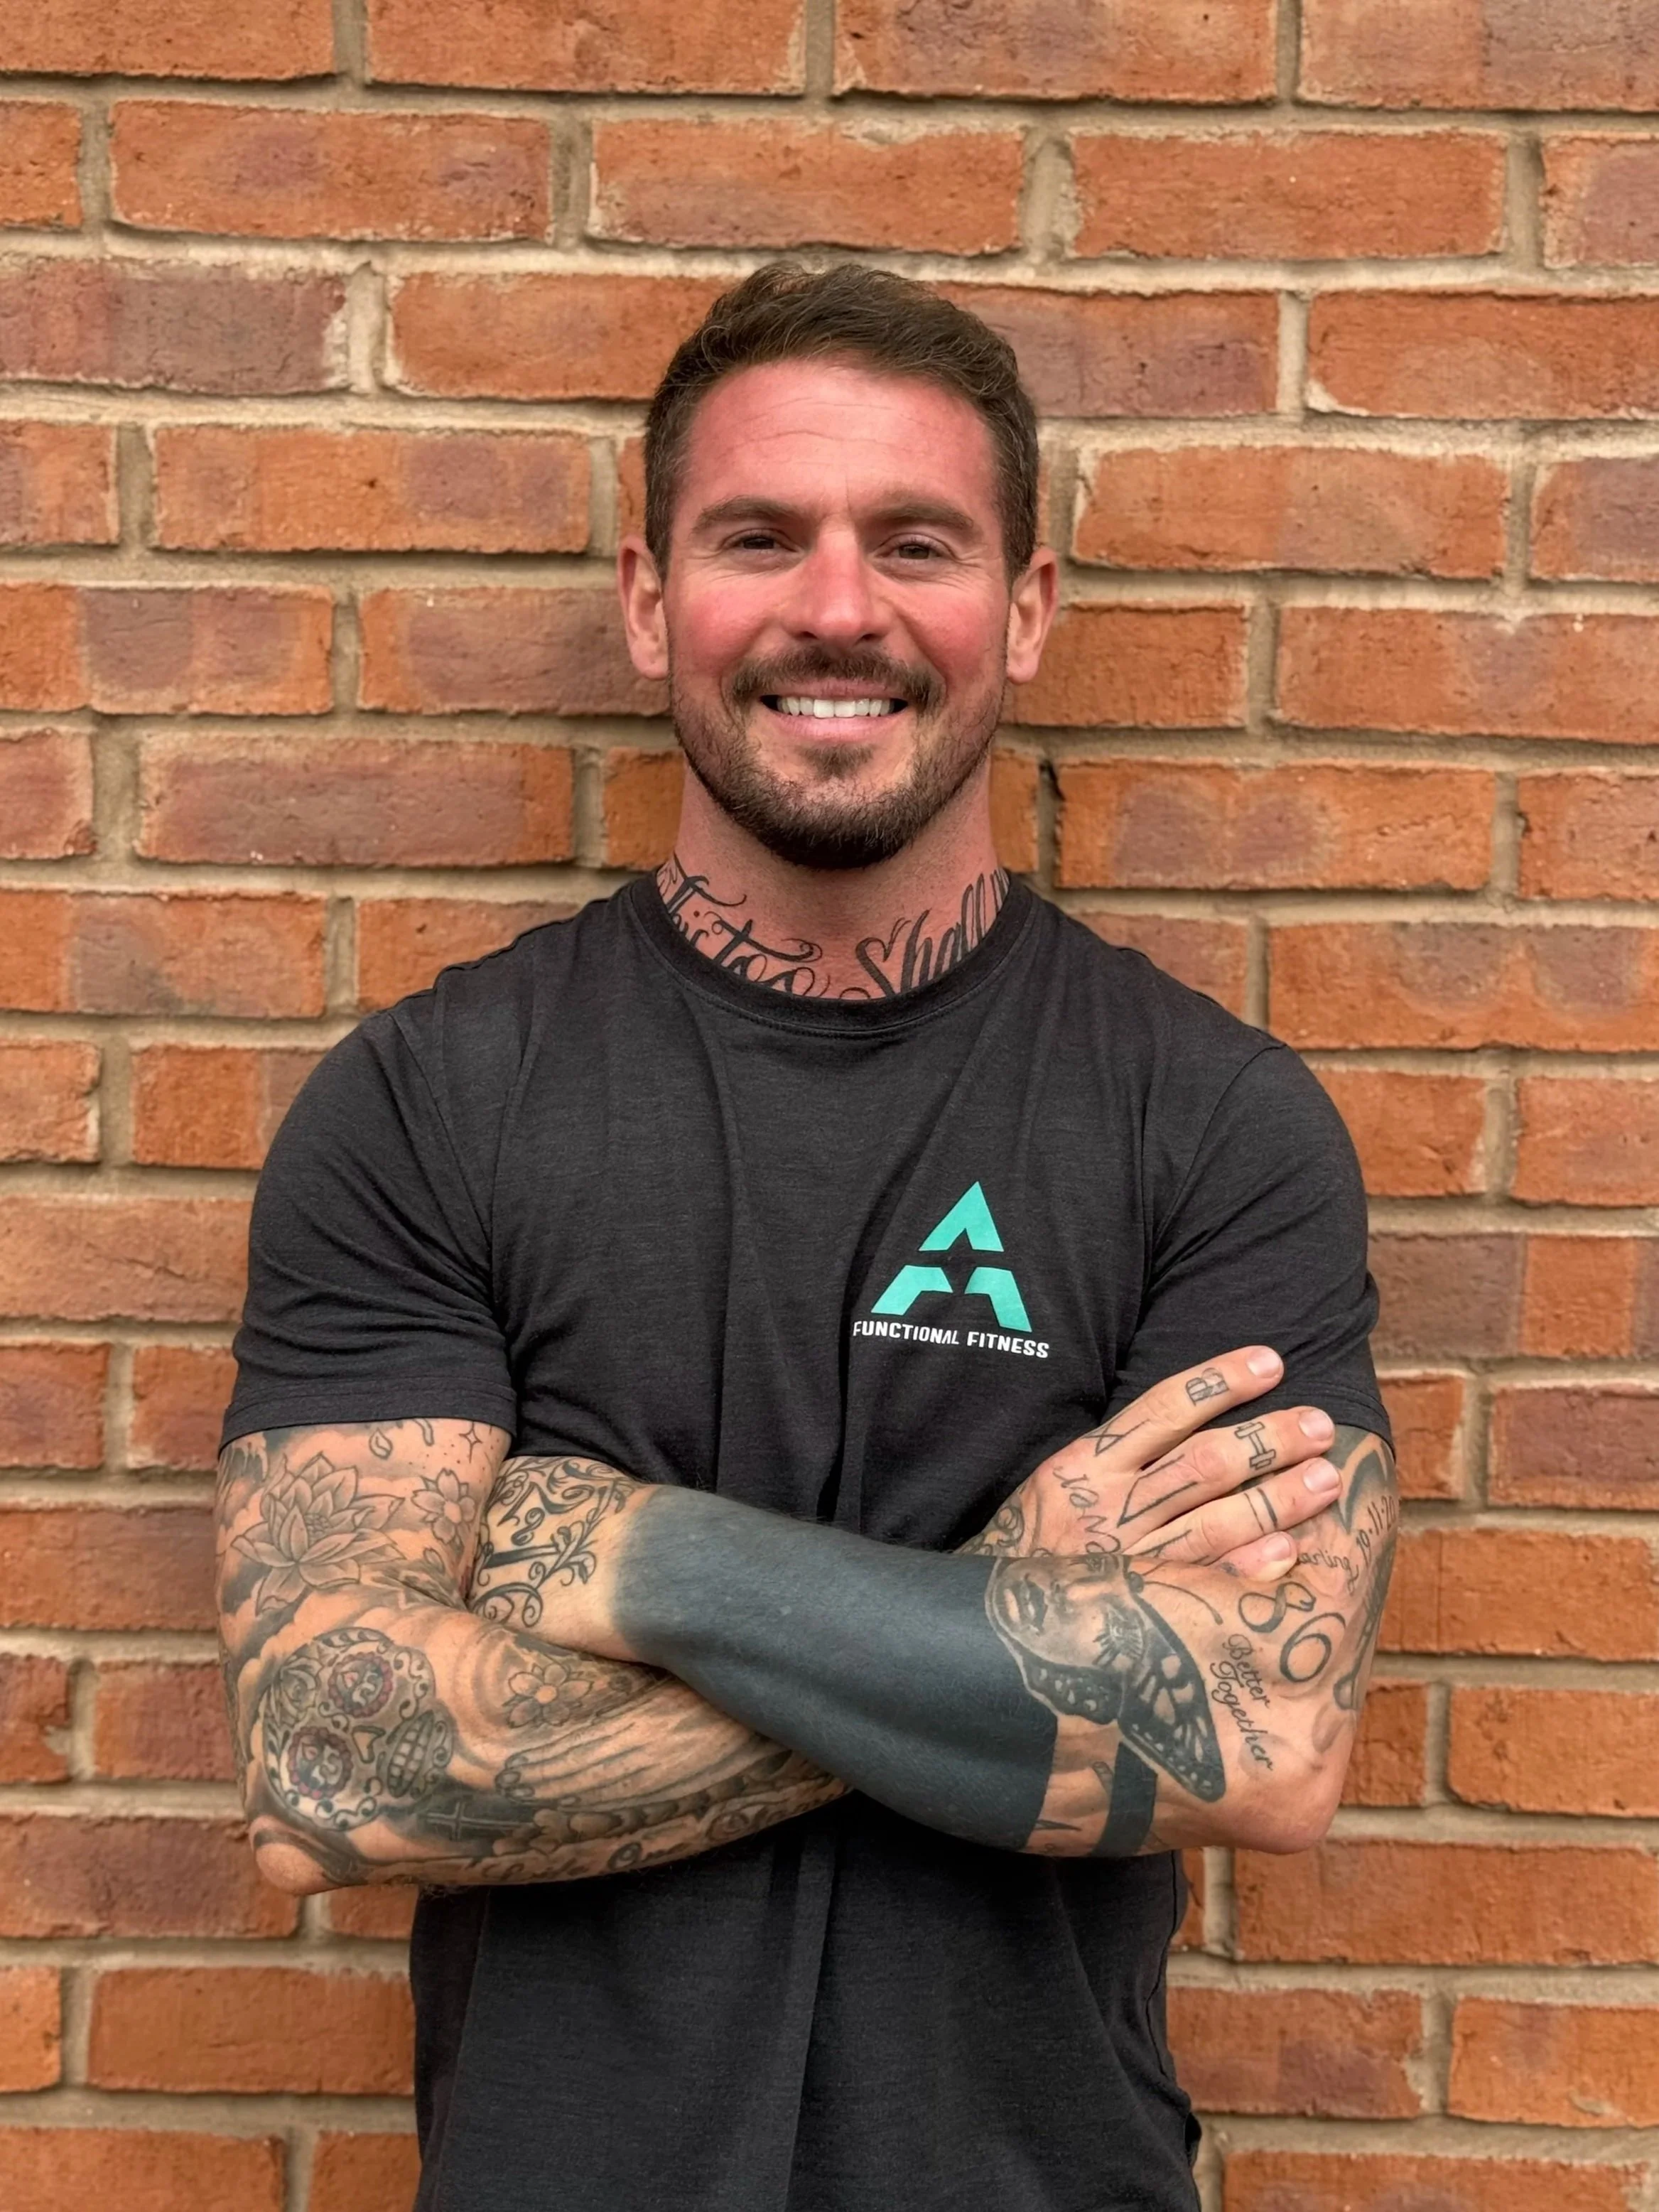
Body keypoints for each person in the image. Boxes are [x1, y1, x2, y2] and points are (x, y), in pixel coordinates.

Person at [216, 262, 1397, 2212]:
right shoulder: (430, 1105)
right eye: (759, 537)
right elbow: (333, 1769)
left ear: (1025, 608)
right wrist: (1006, 1612)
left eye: (915, 543)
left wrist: (639, 1557)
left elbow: (1260, 1732)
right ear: (647, 598)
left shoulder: (1209, 1124)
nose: (838, 608)